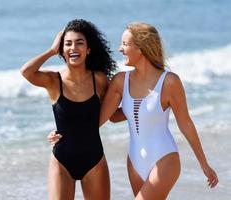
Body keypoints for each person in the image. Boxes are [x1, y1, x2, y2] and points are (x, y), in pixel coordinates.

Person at [49, 22, 219, 199]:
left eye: (125, 44)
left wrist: (204, 164)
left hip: (165, 157)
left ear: (141, 47)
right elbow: (100, 119)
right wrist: (63, 131)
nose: (120, 49)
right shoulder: (121, 81)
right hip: (135, 161)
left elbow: (186, 124)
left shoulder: (169, 82)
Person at [21, 19, 117, 200]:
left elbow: (113, 113)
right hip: (62, 162)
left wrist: (146, 109)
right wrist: (51, 51)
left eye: (79, 43)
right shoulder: (53, 81)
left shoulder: (100, 80)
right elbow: (27, 72)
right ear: (62, 51)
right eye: (68, 44)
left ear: (88, 49)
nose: (74, 48)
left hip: (94, 160)